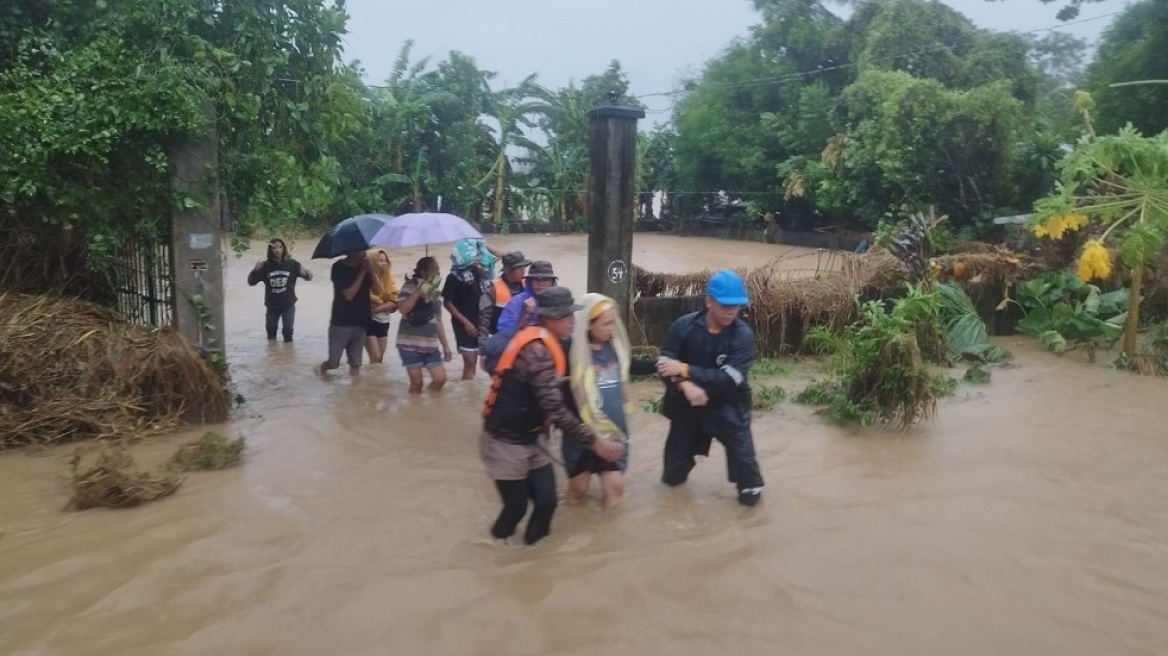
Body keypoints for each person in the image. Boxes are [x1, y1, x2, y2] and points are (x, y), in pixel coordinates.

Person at [480, 287, 624, 545]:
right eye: (563, 316)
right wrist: (595, 442)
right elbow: (555, 409)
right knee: (516, 508)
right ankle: (495, 552)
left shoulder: (558, 342)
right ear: (546, 318)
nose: (571, 320)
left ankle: (534, 557)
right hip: (505, 441)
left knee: (546, 502)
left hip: (534, 436)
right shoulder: (536, 352)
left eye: (572, 314)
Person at [655, 269, 765, 507]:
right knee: (672, 477)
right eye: (725, 304)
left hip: (729, 409)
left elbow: (727, 381)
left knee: (750, 489)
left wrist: (684, 370)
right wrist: (685, 386)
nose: (731, 310)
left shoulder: (743, 337)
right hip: (687, 408)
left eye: (736, 305)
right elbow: (664, 364)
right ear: (709, 302)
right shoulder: (683, 326)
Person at [564, 294, 656, 509]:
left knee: (615, 487)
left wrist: (660, 364)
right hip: (583, 435)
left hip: (612, 431)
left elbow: (632, 366)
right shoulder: (571, 352)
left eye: (613, 323)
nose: (611, 329)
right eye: (605, 324)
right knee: (579, 488)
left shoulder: (616, 349)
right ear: (589, 324)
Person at [396, 256, 453, 393]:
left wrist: (445, 345)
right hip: (409, 343)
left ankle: (430, 403)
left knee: (440, 379)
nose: (438, 273)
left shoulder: (434, 292)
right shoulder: (409, 285)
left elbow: (437, 319)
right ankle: (415, 404)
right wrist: (419, 291)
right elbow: (403, 309)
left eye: (438, 269)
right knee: (416, 384)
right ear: (423, 272)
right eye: (435, 269)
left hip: (430, 343)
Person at [320, 250, 381, 376]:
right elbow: (349, 295)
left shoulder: (366, 267)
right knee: (334, 363)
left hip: (362, 321)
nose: (365, 252)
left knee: (356, 364)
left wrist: (372, 270)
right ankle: (321, 370)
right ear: (352, 250)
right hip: (341, 322)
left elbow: (378, 291)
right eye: (362, 250)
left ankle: (355, 387)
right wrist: (362, 272)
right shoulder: (338, 267)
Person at [247, 238, 312, 342]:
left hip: (288, 304)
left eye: (280, 247)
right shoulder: (265, 266)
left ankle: (288, 352)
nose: (277, 250)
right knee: (271, 336)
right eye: (274, 248)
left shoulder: (292, 264)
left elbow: (308, 277)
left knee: (288, 334)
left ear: (284, 249)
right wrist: (254, 271)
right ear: (270, 250)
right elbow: (251, 282)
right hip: (272, 305)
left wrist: (308, 273)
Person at [443, 244, 491, 380]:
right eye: (474, 255)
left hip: (480, 320)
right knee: (469, 359)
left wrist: (482, 244)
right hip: (462, 322)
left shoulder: (480, 273)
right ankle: (467, 386)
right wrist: (465, 322)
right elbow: (447, 303)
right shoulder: (453, 277)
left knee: (474, 359)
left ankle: (469, 388)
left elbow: (500, 256)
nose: (477, 258)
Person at [479, 251, 530, 342]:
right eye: (519, 268)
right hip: (500, 338)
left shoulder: (528, 285)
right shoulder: (493, 289)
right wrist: (483, 344)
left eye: (523, 267)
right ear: (508, 270)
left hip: (524, 336)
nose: (523, 271)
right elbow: (484, 320)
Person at [495, 260, 558, 334]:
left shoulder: (560, 301)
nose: (540, 284)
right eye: (536, 279)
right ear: (530, 282)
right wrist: (527, 315)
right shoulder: (517, 302)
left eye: (545, 279)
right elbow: (504, 333)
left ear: (552, 282)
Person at [365, 248, 399, 364]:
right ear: (372, 262)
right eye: (380, 261)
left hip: (383, 319)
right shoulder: (365, 278)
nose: (384, 263)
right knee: (375, 357)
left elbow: (394, 300)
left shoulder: (389, 277)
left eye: (385, 260)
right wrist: (385, 304)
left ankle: (371, 375)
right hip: (368, 320)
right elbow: (363, 299)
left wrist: (377, 309)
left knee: (379, 359)